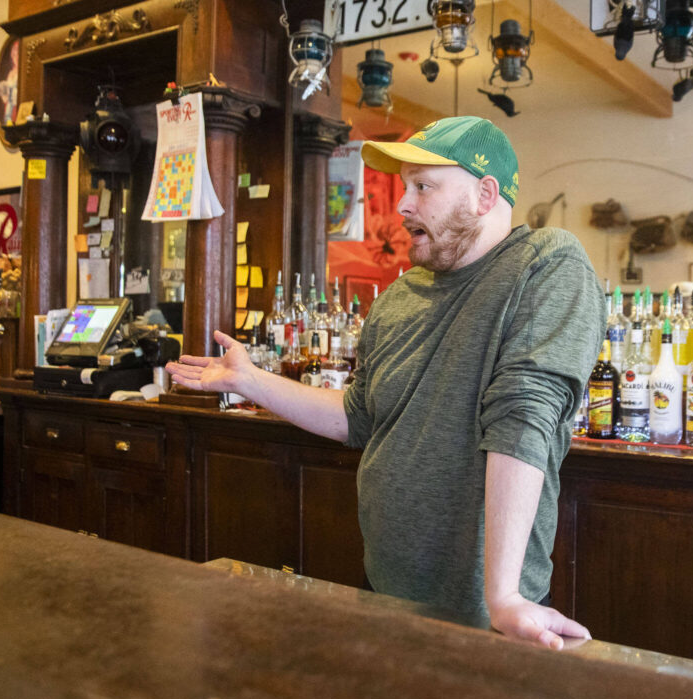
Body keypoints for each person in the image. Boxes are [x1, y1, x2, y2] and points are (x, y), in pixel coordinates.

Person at [167, 116, 605, 649]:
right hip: (386, 585)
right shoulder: (399, 297)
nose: (402, 205)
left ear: (485, 194)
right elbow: (358, 416)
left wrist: (505, 596)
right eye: (405, 187)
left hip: (485, 609)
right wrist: (252, 381)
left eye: (423, 186)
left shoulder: (546, 262)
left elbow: (524, 417)